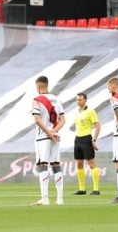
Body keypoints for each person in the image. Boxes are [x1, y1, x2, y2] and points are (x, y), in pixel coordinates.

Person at [30, 76, 65, 206]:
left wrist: (48, 132)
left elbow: (37, 119)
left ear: (38, 87)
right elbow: (63, 120)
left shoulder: (37, 100)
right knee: (56, 165)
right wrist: (54, 131)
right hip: (55, 136)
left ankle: (45, 199)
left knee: (43, 165)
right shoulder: (56, 99)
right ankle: (60, 199)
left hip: (43, 136)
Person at [73, 92, 101, 196]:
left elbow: (98, 126)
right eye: (77, 99)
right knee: (79, 164)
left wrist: (94, 140)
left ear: (85, 100)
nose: (78, 101)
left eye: (80, 99)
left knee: (91, 164)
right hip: (77, 139)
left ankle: (96, 189)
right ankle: (82, 189)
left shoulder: (91, 111)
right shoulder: (76, 112)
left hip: (86, 139)